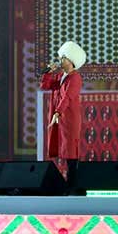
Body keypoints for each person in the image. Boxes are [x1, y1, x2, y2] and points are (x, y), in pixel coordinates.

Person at [40, 41, 86, 187]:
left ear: (71, 61)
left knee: (70, 150)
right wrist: (48, 72)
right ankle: (68, 184)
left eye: (63, 58)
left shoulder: (75, 78)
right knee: (63, 149)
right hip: (60, 117)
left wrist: (57, 112)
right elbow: (45, 86)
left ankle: (73, 184)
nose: (60, 60)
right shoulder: (61, 76)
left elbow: (67, 97)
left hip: (69, 118)